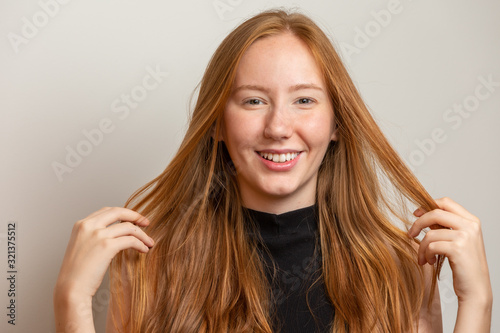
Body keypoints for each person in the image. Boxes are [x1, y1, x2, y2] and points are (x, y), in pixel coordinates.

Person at [53, 9, 492, 333]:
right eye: (253, 100)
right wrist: (71, 302)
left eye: (304, 100)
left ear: (337, 122)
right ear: (217, 125)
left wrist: (477, 305)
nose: (279, 127)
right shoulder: (150, 267)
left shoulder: (400, 268)